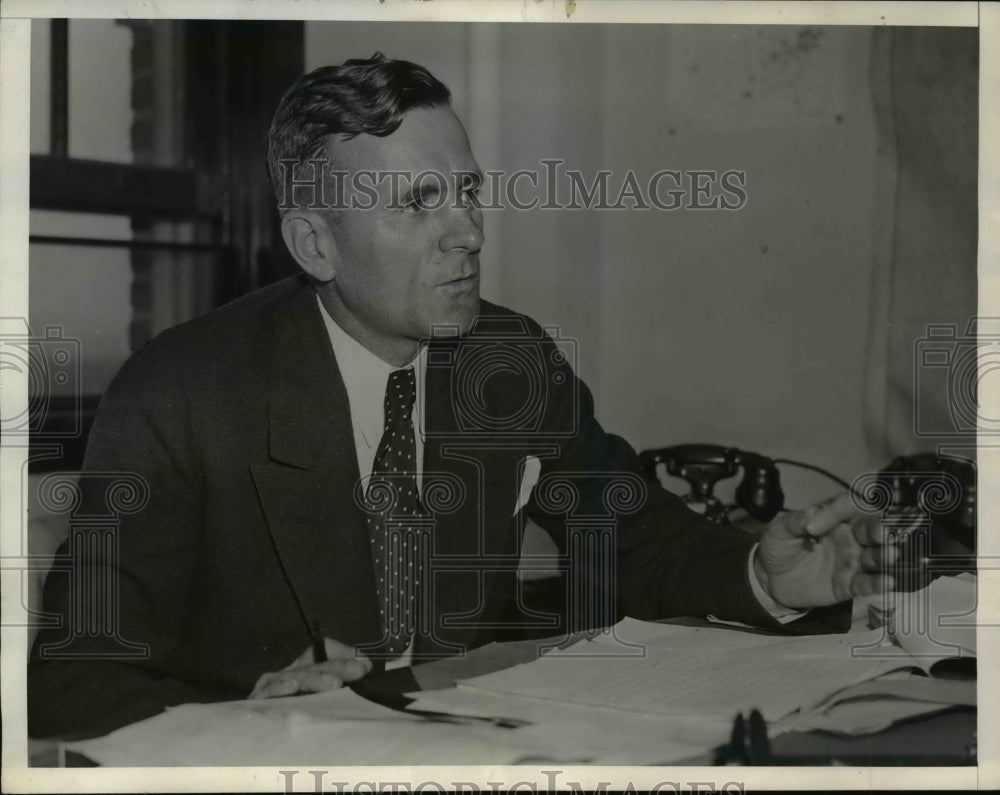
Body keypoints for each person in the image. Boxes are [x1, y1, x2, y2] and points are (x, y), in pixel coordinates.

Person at [27, 53, 896, 739]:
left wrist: (763, 572)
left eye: (469, 191)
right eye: (419, 203)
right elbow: (69, 678)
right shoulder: (182, 393)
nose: (468, 232)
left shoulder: (507, 360)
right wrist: (239, 716)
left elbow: (629, 534)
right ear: (315, 243)